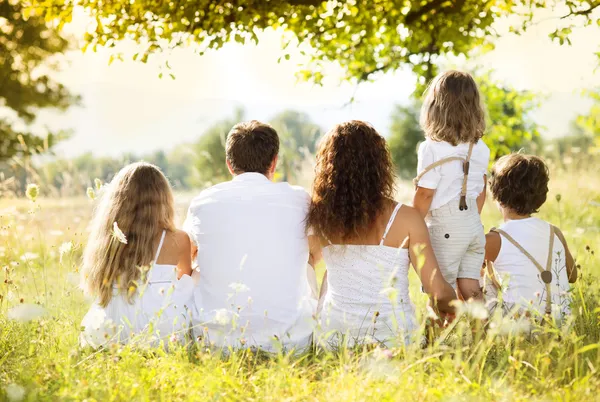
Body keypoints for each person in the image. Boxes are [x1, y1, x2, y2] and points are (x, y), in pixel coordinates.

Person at [307, 120, 457, 347]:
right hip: (395, 340)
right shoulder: (407, 218)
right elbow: (438, 291)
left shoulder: (319, 217)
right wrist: (457, 307)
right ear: (379, 165)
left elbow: (309, 263)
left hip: (333, 340)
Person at [184, 120, 317, 352]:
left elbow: (187, 257)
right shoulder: (299, 199)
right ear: (274, 162)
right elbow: (315, 252)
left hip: (213, 342)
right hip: (290, 343)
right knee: (307, 267)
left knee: (195, 270)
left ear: (229, 164)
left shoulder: (203, 201)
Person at [80, 162, 195, 348]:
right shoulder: (178, 239)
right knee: (194, 276)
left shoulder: (108, 239)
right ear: (164, 198)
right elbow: (184, 280)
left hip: (109, 329)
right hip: (158, 331)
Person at [412, 70, 490, 301]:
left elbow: (425, 194)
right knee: (470, 285)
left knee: (440, 290)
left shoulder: (431, 147)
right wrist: (470, 221)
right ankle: (484, 332)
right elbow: (481, 190)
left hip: (445, 229)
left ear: (435, 107)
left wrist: (413, 225)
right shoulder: (480, 148)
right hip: (473, 225)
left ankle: (436, 335)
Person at [482, 154, 577, 321]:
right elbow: (572, 276)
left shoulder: (494, 239)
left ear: (496, 194)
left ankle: (479, 332)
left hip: (522, 325)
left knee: (470, 272)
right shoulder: (554, 232)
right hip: (561, 322)